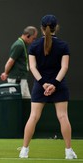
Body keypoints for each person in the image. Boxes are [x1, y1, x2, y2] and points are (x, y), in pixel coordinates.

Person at [19, 15, 77, 159]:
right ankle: (68, 152)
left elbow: (32, 67)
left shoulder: (34, 45)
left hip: (41, 85)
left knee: (33, 117)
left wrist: (43, 83)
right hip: (58, 84)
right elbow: (64, 67)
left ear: (42, 28)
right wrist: (54, 84)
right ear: (56, 27)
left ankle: (24, 151)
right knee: (63, 116)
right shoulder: (63, 45)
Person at [0, 26, 38, 99]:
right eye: (33, 38)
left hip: (21, 78)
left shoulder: (22, 44)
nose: (34, 41)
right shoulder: (19, 45)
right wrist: (5, 73)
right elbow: (10, 61)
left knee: (26, 99)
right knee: (18, 101)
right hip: (18, 79)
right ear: (28, 36)